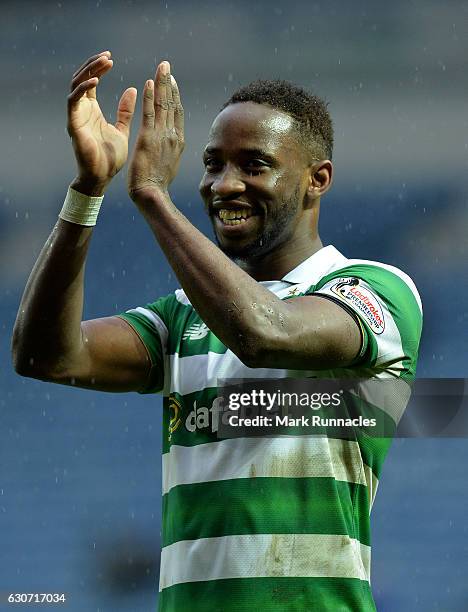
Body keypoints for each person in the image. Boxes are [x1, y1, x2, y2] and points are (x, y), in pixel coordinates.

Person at [12, 50, 422, 611]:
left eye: (254, 165)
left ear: (316, 180)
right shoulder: (185, 313)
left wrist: (152, 195)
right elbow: (46, 356)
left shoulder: (375, 290)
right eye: (212, 164)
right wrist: (88, 190)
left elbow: (263, 335)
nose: (224, 185)